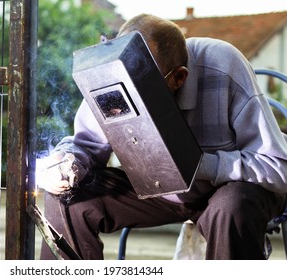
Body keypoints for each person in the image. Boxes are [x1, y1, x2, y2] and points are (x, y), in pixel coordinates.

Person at [37, 14, 287, 260]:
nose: (131, 96)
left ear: (179, 77)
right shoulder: (114, 74)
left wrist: (198, 164)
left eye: (143, 88)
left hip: (224, 193)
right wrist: (64, 164)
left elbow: (278, 169)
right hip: (160, 196)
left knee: (231, 208)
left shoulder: (223, 64)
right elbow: (84, 146)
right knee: (68, 197)